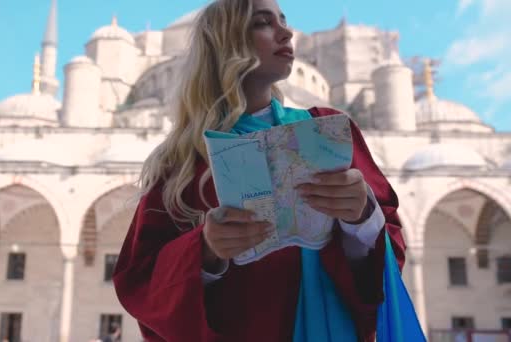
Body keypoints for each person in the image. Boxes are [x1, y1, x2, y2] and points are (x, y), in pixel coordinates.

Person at [113, 0, 406, 341]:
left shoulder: (326, 131)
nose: (287, 31)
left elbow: (387, 259)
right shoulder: (184, 163)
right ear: (227, 42)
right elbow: (141, 281)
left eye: (283, 20)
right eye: (264, 23)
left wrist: (363, 216)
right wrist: (205, 250)